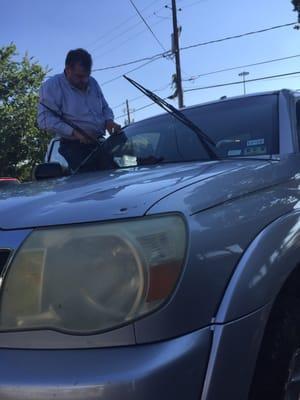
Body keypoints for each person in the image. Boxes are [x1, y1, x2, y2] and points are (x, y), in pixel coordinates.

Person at [37, 48, 121, 172]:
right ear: (67, 69)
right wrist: (74, 132)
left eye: (87, 75)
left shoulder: (93, 83)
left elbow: (105, 107)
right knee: (91, 182)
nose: (85, 81)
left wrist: (109, 121)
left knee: (116, 175)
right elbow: (44, 120)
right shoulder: (52, 86)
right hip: (74, 147)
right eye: (80, 76)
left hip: (98, 143)